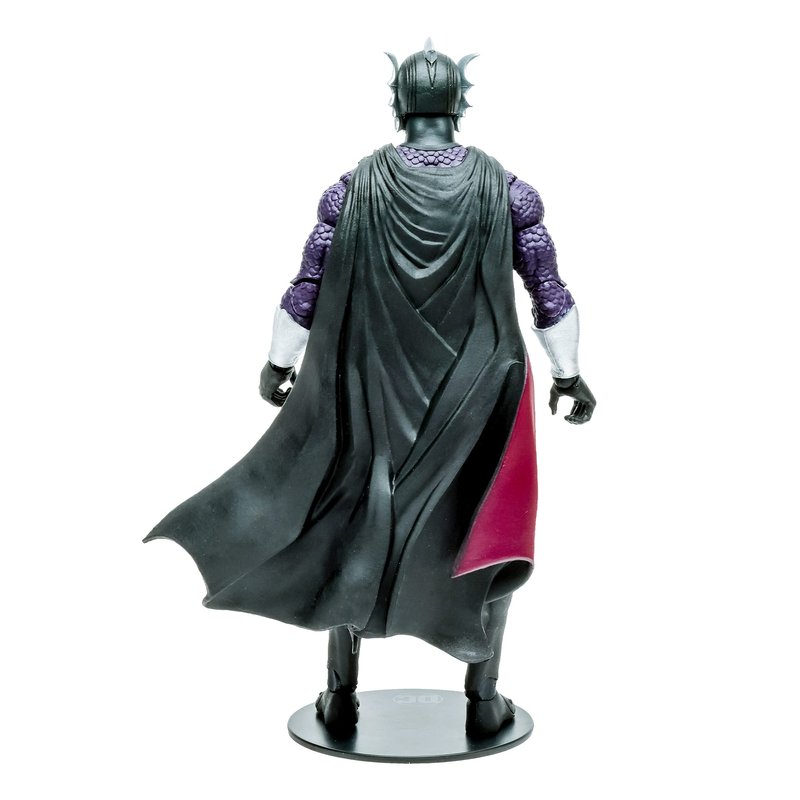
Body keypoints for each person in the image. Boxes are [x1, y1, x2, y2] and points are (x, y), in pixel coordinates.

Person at [146, 41, 595, 741]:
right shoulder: (511, 192)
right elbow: (550, 291)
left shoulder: (351, 190)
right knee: (483, 534)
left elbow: (306, 288)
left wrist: (277, 363)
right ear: (459, 105)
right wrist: (568, 373)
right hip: (484, 392)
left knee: (355, 524)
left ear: (398, 105)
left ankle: (339, 698)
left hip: (372, 387)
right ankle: (483, 702)